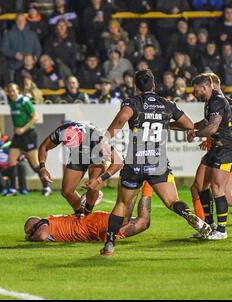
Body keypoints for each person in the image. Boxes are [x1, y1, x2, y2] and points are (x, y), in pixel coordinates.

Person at [99, 69, 212, 256]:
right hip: (158, 162)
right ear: (154, 86)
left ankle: (110, 243)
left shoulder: (132, 102)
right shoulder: (167, 104)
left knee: (122, 204)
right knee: (172, 201)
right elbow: (189, 124)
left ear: (136, 87)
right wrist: (167, 124)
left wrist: (106, 138)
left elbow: (122, 118)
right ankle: (189, 215)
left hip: (136, 162)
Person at [184, 74, 232, 240]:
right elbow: (206, 122)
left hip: (226, 150)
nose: (194, 92)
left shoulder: (218, 101)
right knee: (199, 185)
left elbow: (213, 127)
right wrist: (190, 127)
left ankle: (222, 231)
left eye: (196, 89)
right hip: (215, 149)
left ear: (205, 87)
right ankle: (210, 225)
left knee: (217, 188)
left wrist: (195, 134)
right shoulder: (209, 101)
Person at [38, 121, 123, 216]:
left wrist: (99, 180)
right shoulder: (61, 132)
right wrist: (42, 167)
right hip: (77, 156)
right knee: (67, 192)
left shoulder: (96, 138)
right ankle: (80, 213)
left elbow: (118, 162)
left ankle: (88, 214)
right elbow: (44, 147)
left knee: (93, 185)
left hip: (96, 156)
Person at [24, 182, 153, 242]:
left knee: (125, 219)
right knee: (144, 222)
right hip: (93, 231)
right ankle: (147, 185)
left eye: (29, 232)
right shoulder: (53, 222)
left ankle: (135, 183)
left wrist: (30, 238)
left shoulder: (43, 223)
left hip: (92, 226)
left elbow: (42, 235)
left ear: (35, 225)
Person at [6, 83, 48, 196]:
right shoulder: (11, 102)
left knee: (34, 164)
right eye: (9, 90)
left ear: (18, 90)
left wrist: (23, 129)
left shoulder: (24, 101)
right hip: (18, 136)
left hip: (28, 134)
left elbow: (35, 118)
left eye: (13, 90)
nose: (11, 92)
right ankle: (12, 189)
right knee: (11, 161)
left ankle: (46, 187)